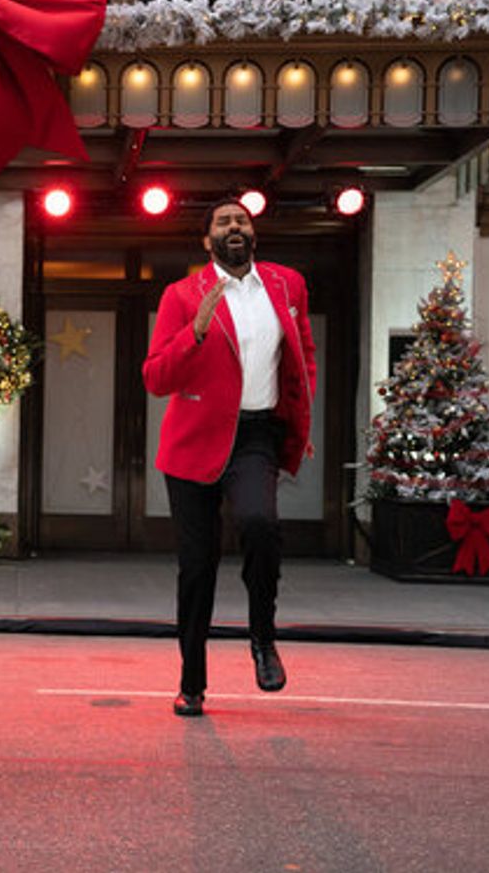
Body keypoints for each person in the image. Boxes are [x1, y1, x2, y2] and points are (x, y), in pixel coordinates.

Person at [142, 197, 317, 717]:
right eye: (223, 221)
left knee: (260, 525)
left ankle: (263, 638)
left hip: (255, 435)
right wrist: (194, 332)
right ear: (208, 240)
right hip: (193, 441)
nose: (234, 226)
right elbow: (155, 378)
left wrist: (300, 418)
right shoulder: (181, 295)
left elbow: (303, 356)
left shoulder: (287, 285)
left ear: (253, 235)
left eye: (242, 220)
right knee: (197, 567)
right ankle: (191, 683)